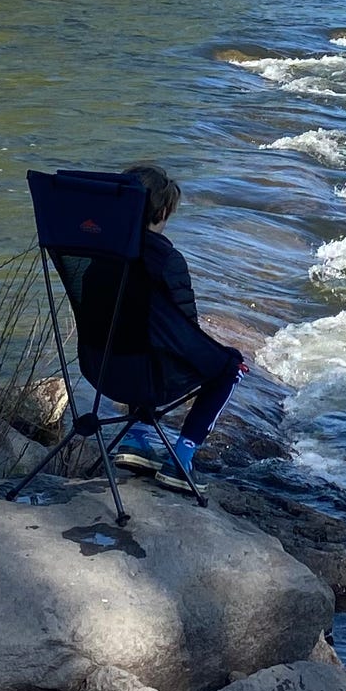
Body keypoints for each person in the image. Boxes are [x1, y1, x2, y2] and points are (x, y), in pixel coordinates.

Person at [114, 162, 244, 477]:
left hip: (102, 366)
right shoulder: (167, 260)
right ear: (163, 213)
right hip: (151, 377)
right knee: (231, 366)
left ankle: (136, 437)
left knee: (136, 337)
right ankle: (181, 457)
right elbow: (187, 332)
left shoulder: (99, 253)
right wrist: (222, 356)